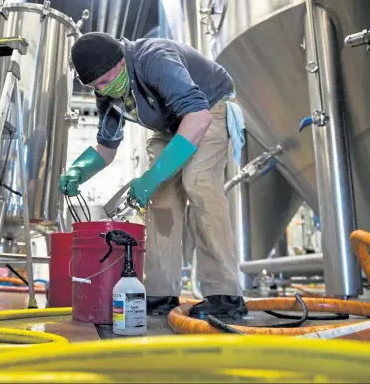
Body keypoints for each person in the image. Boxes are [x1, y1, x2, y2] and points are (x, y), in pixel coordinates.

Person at [60, 32, 248, 320]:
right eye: (95, 86)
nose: (103, 89)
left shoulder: (155, 58)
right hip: (170, 126)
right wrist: (78, 170)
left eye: (107, 81)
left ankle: (225, 294)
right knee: (159, 197)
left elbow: (198, 117)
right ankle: (161, 293)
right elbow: (107, 147)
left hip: (208, 108)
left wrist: (155, 173)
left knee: (198, 182)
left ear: (121, 60)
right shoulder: (107, 93)